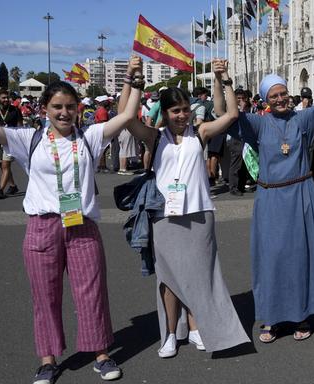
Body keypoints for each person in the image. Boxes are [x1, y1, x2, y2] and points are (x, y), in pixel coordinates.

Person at [0, 57, 142, 383]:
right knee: (44, 295)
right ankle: (47, 360)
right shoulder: (28, 139)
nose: (64, 113)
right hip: (42, 227)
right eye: (57, 106)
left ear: (78, 109)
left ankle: (101, 353)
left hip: (82, 226)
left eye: (70, 107)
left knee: (91, 291)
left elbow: (128, 115)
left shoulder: (89, 136)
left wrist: (132, 78)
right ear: (45, 108)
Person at [118, 56, 250, 358]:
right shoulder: (155, 137)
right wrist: (132, 78)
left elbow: (231, 114)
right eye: (176, 111)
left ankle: (194, 327)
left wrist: (224, 77)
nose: (182, 115)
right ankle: (168, 334)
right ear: (165, 113)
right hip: (164, 216)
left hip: (199, 214)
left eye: (185, 110)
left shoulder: (200, 133)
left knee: (199, 272)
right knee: (168, 276)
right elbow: (125, 117)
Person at [225, 46, 314, 344]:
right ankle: (271, 317)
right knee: (271, 257)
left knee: (300, 256)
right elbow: (231, 115)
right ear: (266, 101)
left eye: (283, 94)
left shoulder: (303, 118)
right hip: (270, 199)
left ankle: (301, 315)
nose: (280, 99)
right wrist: (227, 82)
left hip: (301, 194)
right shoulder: (258, 123)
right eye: (274, 96)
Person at [0, 88, 20, 198]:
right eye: (3, 98)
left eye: (7, 97)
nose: (6, 99)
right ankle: (13, 186)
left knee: (6, 166)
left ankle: (0, 190)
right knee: (3, 166)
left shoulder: (15, 110)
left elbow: (20, 126)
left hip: (9, 142)